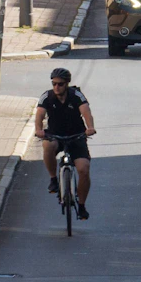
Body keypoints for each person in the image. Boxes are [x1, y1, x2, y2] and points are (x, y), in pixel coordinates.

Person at [35, 67, 96, 218]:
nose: (56, 87)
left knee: (84, 168)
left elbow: (86, 111)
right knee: (48, 145)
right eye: (54, 83)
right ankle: (53, 179)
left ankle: (81, 206)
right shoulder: (47, 96)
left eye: (60, 84)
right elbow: (40, 114)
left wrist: (90, 127)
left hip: (76, 136)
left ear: (67, 84)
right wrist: (38, 129)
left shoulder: (76, 95)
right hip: (55, 135)